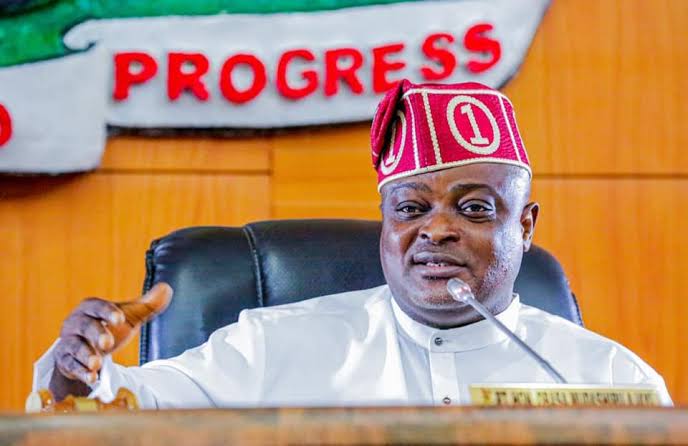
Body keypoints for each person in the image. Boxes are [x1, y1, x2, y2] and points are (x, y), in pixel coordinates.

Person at [33, 80, 672, 408]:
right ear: (386, 225)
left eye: (474, 208)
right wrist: (76, 374)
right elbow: (125, 417)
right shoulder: (273, 346)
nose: (436, 230)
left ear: (525, 227)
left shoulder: (609, 379)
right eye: (411, 209)